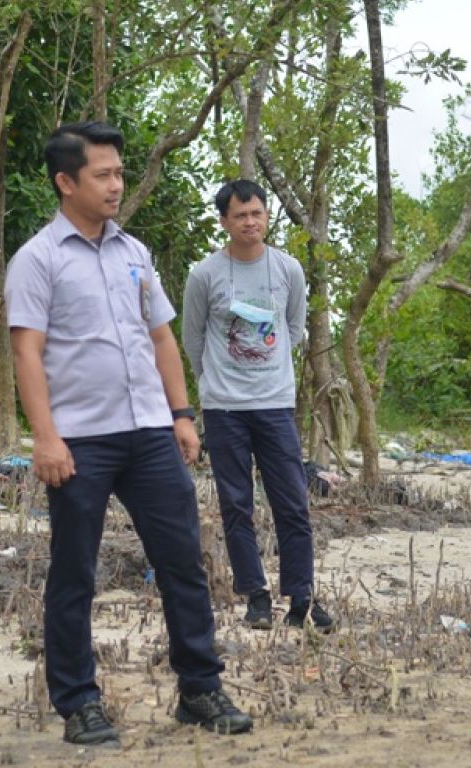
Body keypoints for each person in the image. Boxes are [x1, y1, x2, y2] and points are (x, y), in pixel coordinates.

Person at [5, 122, 253, 745]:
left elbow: (161, 336)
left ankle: (199, 688)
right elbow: (27, 354)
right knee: (74, 575)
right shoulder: (38, 259)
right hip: (80, 441)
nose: (116, 185)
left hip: (149, 433)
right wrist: (45, 437)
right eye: (102, 175)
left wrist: (182, 413)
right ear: (66, 182)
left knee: (183, 564)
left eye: (119, 172)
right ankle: (79, 703)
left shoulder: (133, 252)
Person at [182, 180, 333, 633]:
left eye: (257, 214)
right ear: (225, 221)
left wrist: (270, 376)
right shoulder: (205, 274)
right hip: (225, 407)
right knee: (235, 504)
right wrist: (211, 383)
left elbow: (294, 328)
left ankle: (301, 597)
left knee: (292, 503)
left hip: (275, 404)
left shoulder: (287, 270)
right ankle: (257, 597)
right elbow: (192, 338)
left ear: (267, 216)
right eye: (240, 215)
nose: (250, 222)